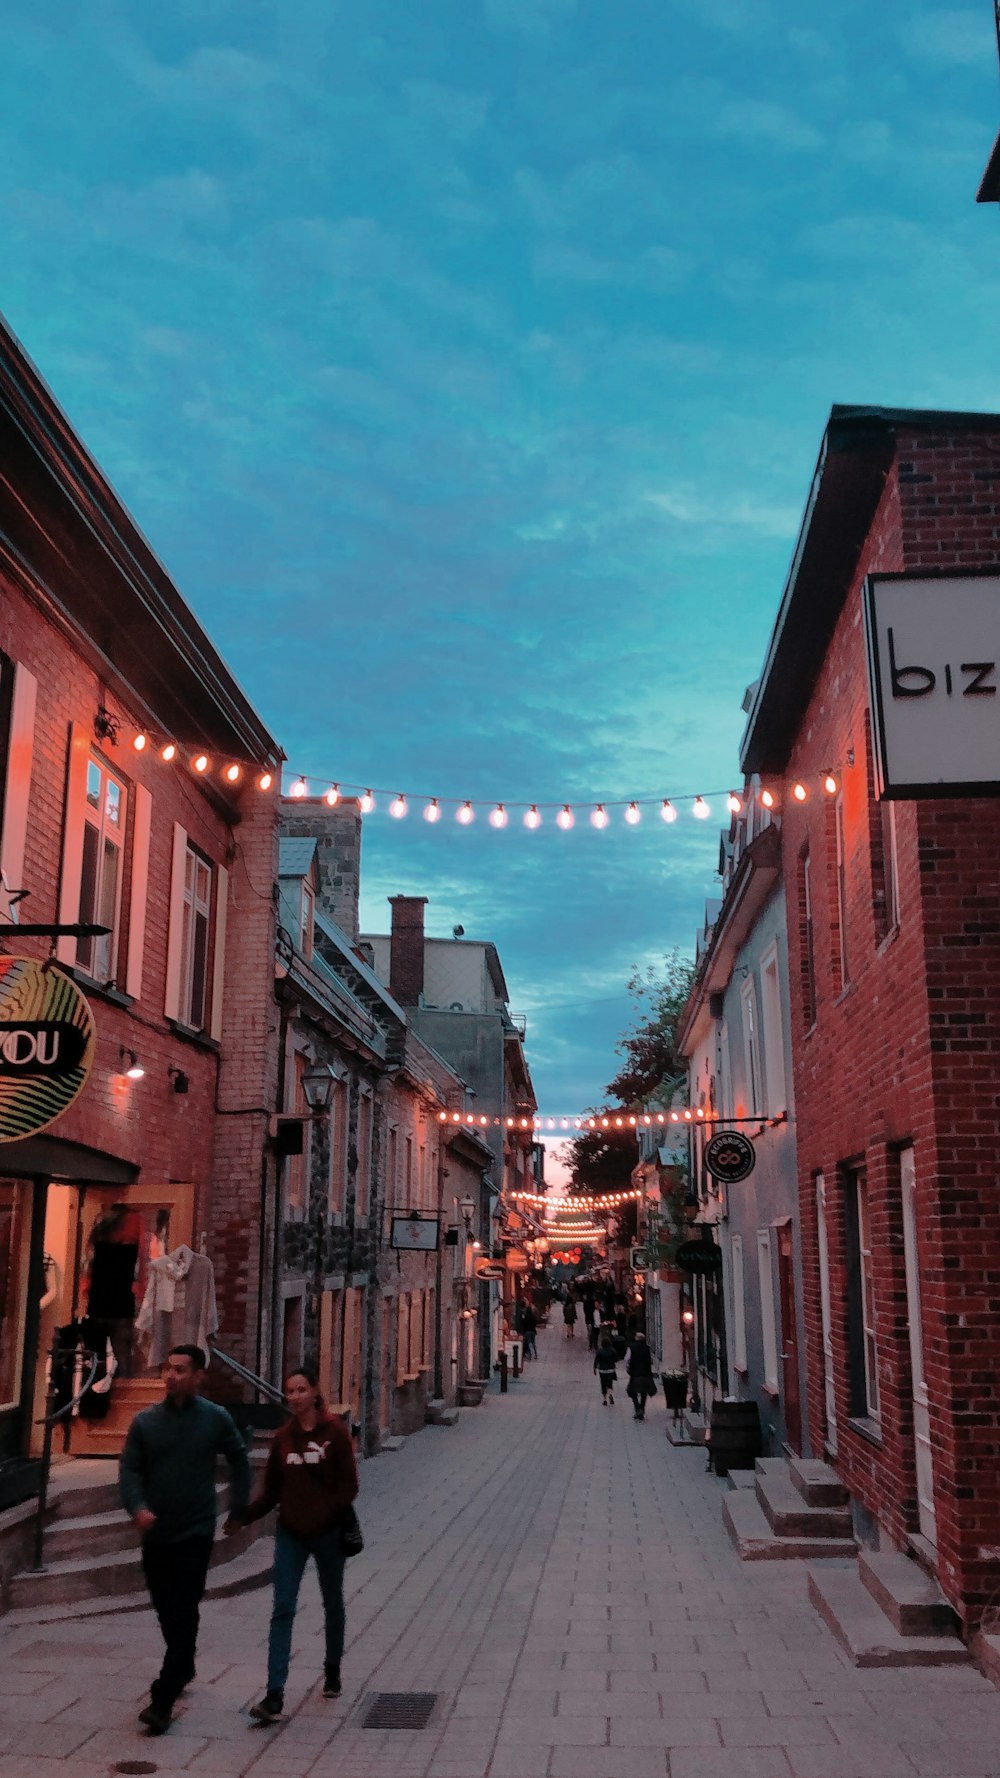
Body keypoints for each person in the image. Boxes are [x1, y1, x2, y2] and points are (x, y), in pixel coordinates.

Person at [119, 1344, 250, 1736]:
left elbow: (240, 1459)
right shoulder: (145, 1423)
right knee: (164, 1606)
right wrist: (138, 1506)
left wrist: (239, 1509)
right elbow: (129, 1470)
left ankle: (162, 1699)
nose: (171, 1375)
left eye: (180, 1369)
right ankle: (184, 1661)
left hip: (195, 1529)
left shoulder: (215, 1419)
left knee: (185, 1606)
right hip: (157, 1530)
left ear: (198, 1376)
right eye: (167, 1368)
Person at [243, 1367, 359, 1725]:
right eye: (289, 1391)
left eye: (300, 1390)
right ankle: (275, 1693)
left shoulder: (335, 1434)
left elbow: (349, 1485)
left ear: (314, 1392)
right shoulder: (283, 1438)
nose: (293, 1397)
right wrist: (243, 1517)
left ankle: (333, 1668)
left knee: (332, 1601)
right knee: (282, 1607)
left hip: (327, 1533)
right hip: (291, 1533)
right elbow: (272, 1488)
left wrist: (327, 1514)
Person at [626, 1331, 656, 1420]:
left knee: (632, 1391)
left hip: (635, 1373)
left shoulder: (631, 1347)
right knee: (644, 1392)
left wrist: (628, 1366)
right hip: (646, 1373)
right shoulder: (647, 1348)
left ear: (636, 1338)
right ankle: (642, 1409)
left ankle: (638, 1408)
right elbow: (650, 1360)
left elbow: (627, 1358)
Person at [594, 1330, 617, 1404]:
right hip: (611, 1369)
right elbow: (615, 1359)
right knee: (610, 1384)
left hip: (602, 1370)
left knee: (603, 1384)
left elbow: (596, 1360)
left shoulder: (600, 1351)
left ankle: (604, 1399)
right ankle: (610, 1394)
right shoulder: (612, 1351)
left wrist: (594, 1369)